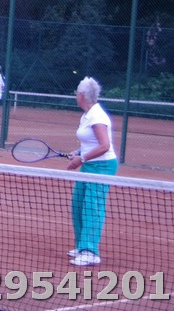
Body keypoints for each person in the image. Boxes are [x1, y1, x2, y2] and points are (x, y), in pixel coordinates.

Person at [66, 76, 118, 267]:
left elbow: (104, 146)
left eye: (76, 93)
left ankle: (90, 252)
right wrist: (78, 152)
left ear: (82, 95)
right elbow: (90, 143)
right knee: (78, 204)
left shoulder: (97, 116)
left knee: (92, 207)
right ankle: (82, 246)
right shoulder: (87, 115)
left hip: (102, 166)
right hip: (89, 164)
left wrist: (82, 159)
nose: (75, 96)